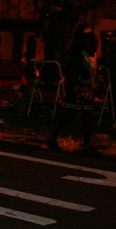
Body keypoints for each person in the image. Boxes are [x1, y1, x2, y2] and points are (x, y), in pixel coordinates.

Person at [47, 22, 100, 155]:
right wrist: (75, 86)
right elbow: (71, 71)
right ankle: (52, 137)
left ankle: (87, 145)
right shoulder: (78, 54)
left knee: (87, 117)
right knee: (70, 116)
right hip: (77, 88)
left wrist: (95, 82)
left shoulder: (91, 55)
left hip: (87, 89)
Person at [38, 0, 77, 69]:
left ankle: (58, 74)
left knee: (58, 55)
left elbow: (72, 16)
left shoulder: (68, 0)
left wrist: (60, 11)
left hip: (61, 33)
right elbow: (44, 10)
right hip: (51, 32)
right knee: (49, 54)